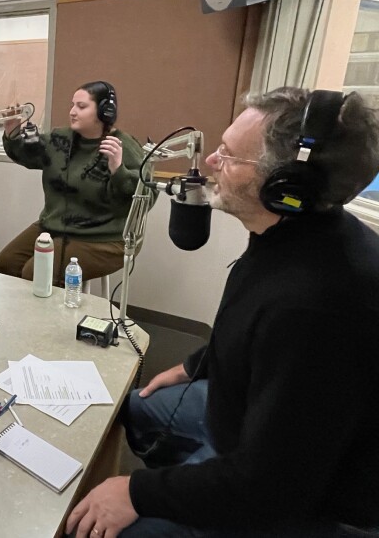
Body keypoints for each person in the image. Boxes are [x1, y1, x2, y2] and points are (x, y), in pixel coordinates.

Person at [64, 87, 379, 538]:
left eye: (229, 156)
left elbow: (269, 486)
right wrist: (196, 365)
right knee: (128, 409)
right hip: (255, 425)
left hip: (295, 500)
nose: (211, 161)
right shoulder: (295, 235)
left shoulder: (316, 306)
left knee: (107, 532)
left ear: (285, 184)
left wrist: (137, 492)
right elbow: (255, 328)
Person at [0, 81, 149, 285]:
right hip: (55, 227)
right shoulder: (61, 139)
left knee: (36, 273)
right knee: (7, 262)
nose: (73, 112)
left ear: (105, 112)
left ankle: (51, 315)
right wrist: (12, 133)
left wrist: (117, 169)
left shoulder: (122, 146)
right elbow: (29, 156)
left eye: (81, 106)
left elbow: (145, 197)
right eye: (72, 105)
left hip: (104, 238)